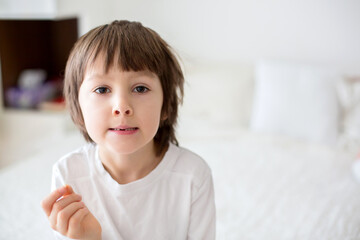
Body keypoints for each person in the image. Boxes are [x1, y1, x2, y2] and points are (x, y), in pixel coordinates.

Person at [41, 20, 216, 240]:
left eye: (140, 88)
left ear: (166, 105)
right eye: (102, 89)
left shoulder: (193, 176)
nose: (122, 107)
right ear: (78, 106)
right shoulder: (69, 175)